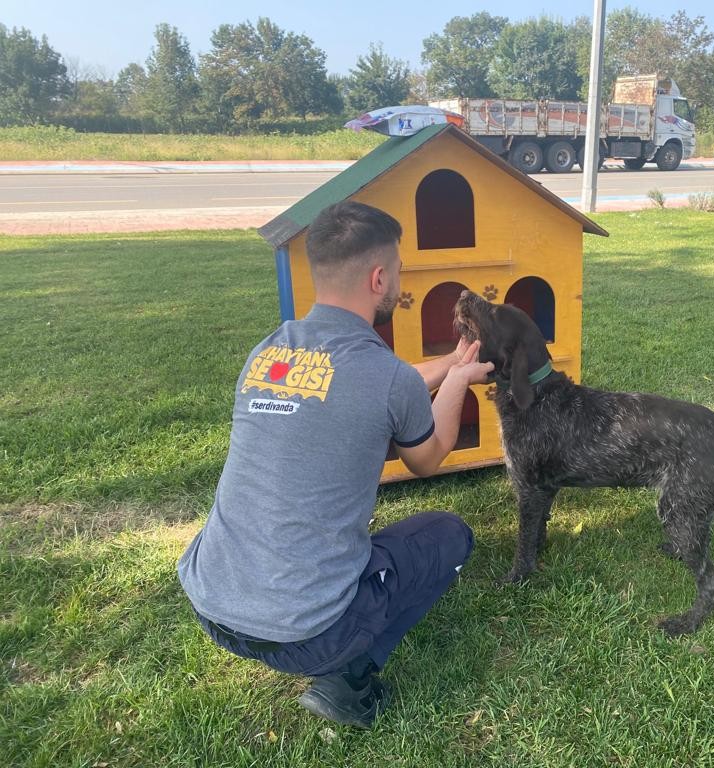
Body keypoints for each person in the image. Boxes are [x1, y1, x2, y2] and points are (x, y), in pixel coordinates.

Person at [177, 200, 494, 729]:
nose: (398, 282)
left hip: (212, 602)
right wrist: (460, 381)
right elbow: (427, 456)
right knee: (448, 535)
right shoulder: (385, 377)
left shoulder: (269, 353)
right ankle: (348, 681)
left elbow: (368, 384)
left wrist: (448, 363)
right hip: (306, 633)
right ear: (378, 278)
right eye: (397, 271)